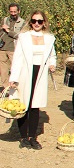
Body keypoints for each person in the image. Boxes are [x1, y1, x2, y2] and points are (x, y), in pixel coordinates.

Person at [8, 10, 56, 149]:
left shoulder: (49, 38)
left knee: (35, 106)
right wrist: (14, 77)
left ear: (44, 22)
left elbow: (52, 55)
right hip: (25, 73)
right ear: (30, 22)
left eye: (40, 21)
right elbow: (17, 58)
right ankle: (23, 137)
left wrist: (52, 64)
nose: (37, 24)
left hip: (40, 73)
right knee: (23, 105)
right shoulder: (23, 37)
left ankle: (32, 137)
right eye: (34, 21)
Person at [0, 3, 25, 89]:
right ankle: (5, 88)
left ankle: (16, 87)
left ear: (19, 11)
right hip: (2, 48)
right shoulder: (5, 20)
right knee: (3, 70)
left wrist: (8, 30)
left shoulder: (22, 22)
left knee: (15, 68)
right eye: (11, 11)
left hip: (14, 48)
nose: (13, 13)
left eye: (15, 11)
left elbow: (19, 35)